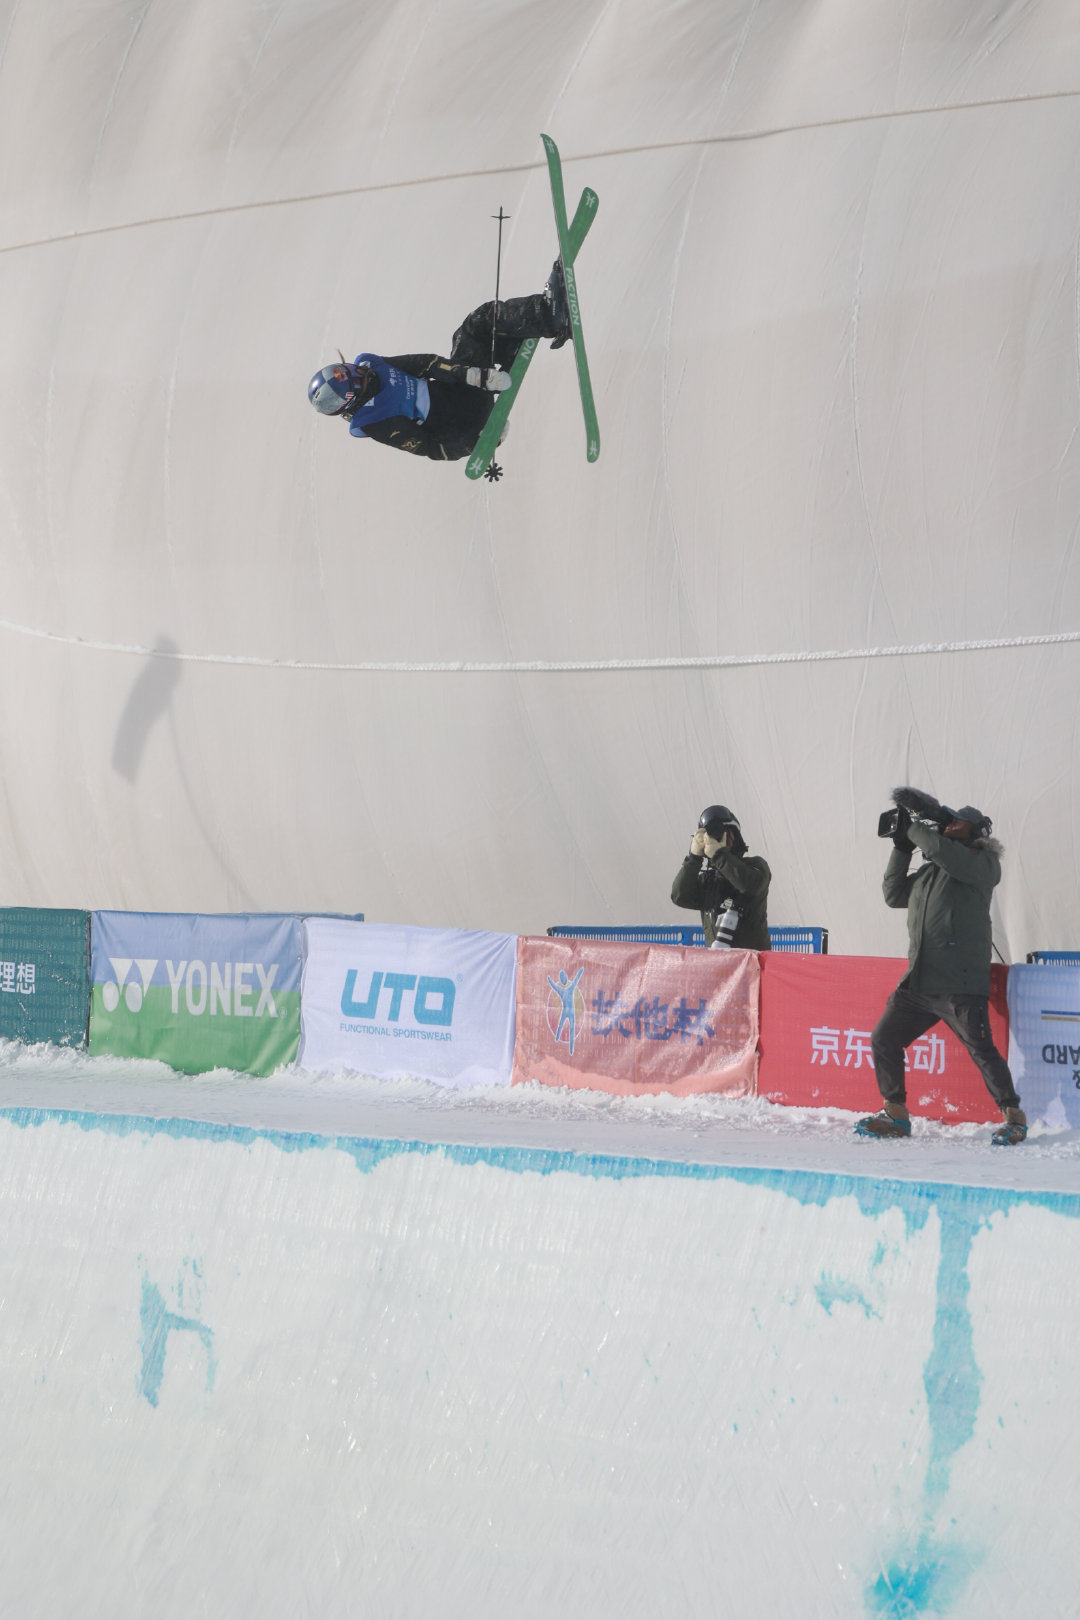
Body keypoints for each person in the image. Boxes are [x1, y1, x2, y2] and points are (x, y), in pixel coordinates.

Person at [856, 787, 1027, 1145]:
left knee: (982, 1049)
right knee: (883, 1039)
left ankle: (1013, 1116)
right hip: (919, 982)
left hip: (960, 984)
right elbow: (893, 894)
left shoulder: (982, 865)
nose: (949, 823)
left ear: (977, 831)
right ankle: (897, 1114)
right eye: (947, 819)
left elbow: (940, 850)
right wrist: (902, 847)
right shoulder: (932, 871)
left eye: (957, 820)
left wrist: (913, 828)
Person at [307, 265, 570, 461]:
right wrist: (477, 443)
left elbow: (426, 364)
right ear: (349, 398)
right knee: (472, 332)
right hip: (465, 423)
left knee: (475, 326)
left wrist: (471, 375)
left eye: (345, 370)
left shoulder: (372, 365)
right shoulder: (371, 420)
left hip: (463, 389)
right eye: (350, 378)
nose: (356, 372)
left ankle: (547, 314)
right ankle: (522, 333)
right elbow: (429, 446)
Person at [671, 804, 771, 951]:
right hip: (719, 967)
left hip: (752, 967)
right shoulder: (709, 881)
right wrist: (694, 859)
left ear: (734, 835)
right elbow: (680, 896)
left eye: (721, 832)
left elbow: (750, 885)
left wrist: (719, 854)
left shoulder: (755, 866)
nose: (716, 838)